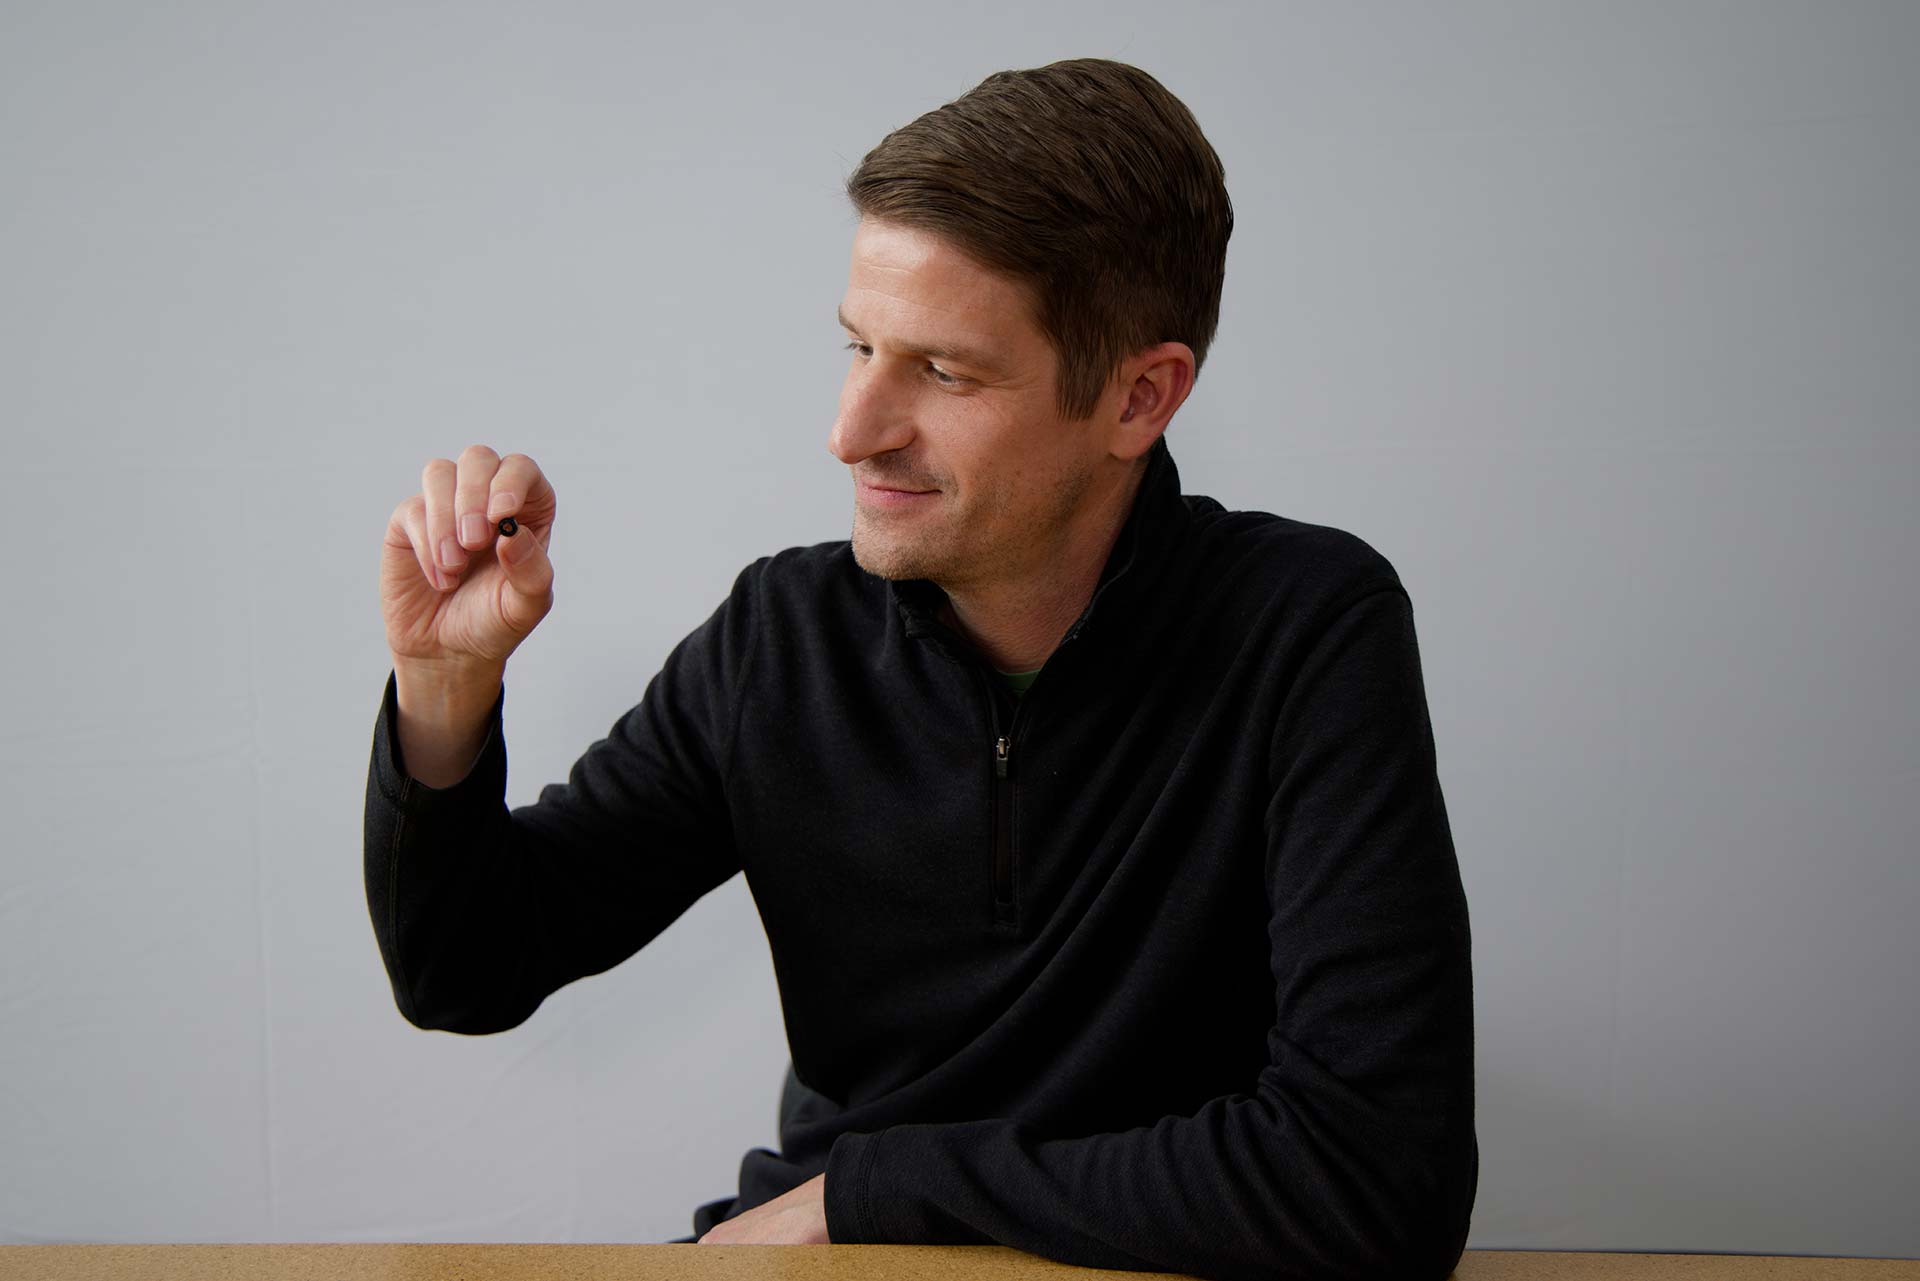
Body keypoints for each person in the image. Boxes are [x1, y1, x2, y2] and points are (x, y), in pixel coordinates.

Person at [364, 57, 1477, 1281]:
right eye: (857, 348)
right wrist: (444, 685)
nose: (852, 430)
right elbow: (463, 971)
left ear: (1139, 397)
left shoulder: (1307, 629)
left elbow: (1378, 1178)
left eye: (943, 372)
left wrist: (872, 1191)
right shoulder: (780, 640)